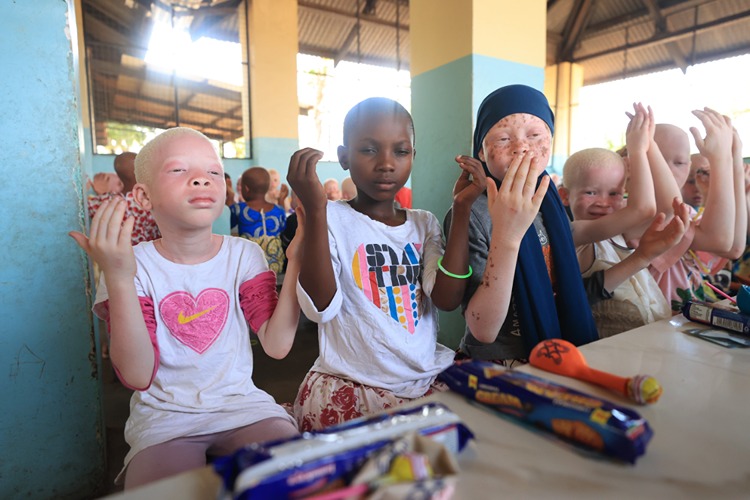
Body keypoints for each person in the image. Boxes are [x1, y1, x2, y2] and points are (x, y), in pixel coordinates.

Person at [69, 127, 302, 489]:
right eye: (179, 170)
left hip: (242, 406)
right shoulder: (131, 265)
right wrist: (118, 278)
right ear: (143, 196)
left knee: (298, 474)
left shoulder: (244, 254)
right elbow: (137, 375)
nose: (200, 179)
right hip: (166, 418)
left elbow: (277, 345)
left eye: (213, 172)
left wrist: (296, 261)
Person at [287, 97, 485, 431]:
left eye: (401, 151)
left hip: (421, 380)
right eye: (369, 150)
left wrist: (462, 209)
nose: (386, 164)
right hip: (353, 383)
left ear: (413, 156)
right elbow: (320, 308)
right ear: (344, 157)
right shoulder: (331, 216)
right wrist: (316, 210)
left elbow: (447, 299)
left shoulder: (424, 223)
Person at [444, 84, 598, 364]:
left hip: (559, 354)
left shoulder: (549, 200)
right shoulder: (474, 211)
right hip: (500, 363)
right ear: (481, 152)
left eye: (535, 135)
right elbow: (483, 330)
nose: (521, 147)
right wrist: (507, 235)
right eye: (504, 139)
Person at [558, 105, 689, 337]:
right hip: (606, 347)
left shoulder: (619, 231)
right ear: (565, 196)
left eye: (614, 193)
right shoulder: (573, 232)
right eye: (590, 192)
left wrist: (650, 143)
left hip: (645, 339)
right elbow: (643, 209)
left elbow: (668, 206)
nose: (603, 202)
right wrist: (637, 150)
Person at [647, 112, 745, 310]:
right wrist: (720, 159)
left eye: (679, 163)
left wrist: (734, 158)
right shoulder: (642, 213)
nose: (668, 170)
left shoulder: (686, 212)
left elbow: (733, 248)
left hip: (680, 321)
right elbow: (719, 240)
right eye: (657, 158)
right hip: (650, 325)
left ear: (688, 167)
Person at [87, 151, 161, 245]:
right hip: (151, 251)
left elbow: (84, 206)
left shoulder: (107, 201)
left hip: (120, 252)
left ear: (118, 175)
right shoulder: (153, 201)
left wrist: (92, 189)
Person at [230, 167, 287, 238]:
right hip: (273, 245)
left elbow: (226, 225)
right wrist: (281, 201)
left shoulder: (238, 209)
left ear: (246, 189)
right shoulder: (279, 210)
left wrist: (230, 196)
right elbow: (283, 230)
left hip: (247, 245)